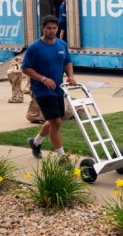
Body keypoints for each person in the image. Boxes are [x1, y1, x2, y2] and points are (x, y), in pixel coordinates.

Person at [22, 14, 77, 158]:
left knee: (54, 120)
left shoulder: (61, 45)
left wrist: (70, 76)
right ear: (43, 29)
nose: (52, 31)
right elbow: (26, 68)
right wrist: (42, 78)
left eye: (54, 28)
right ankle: (62, 157)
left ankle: (36, 142)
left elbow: (67, 62)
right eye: (49, 28)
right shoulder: (35, 48)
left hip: (58, 88)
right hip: (42, 90)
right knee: (56, 121)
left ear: (57, 28)